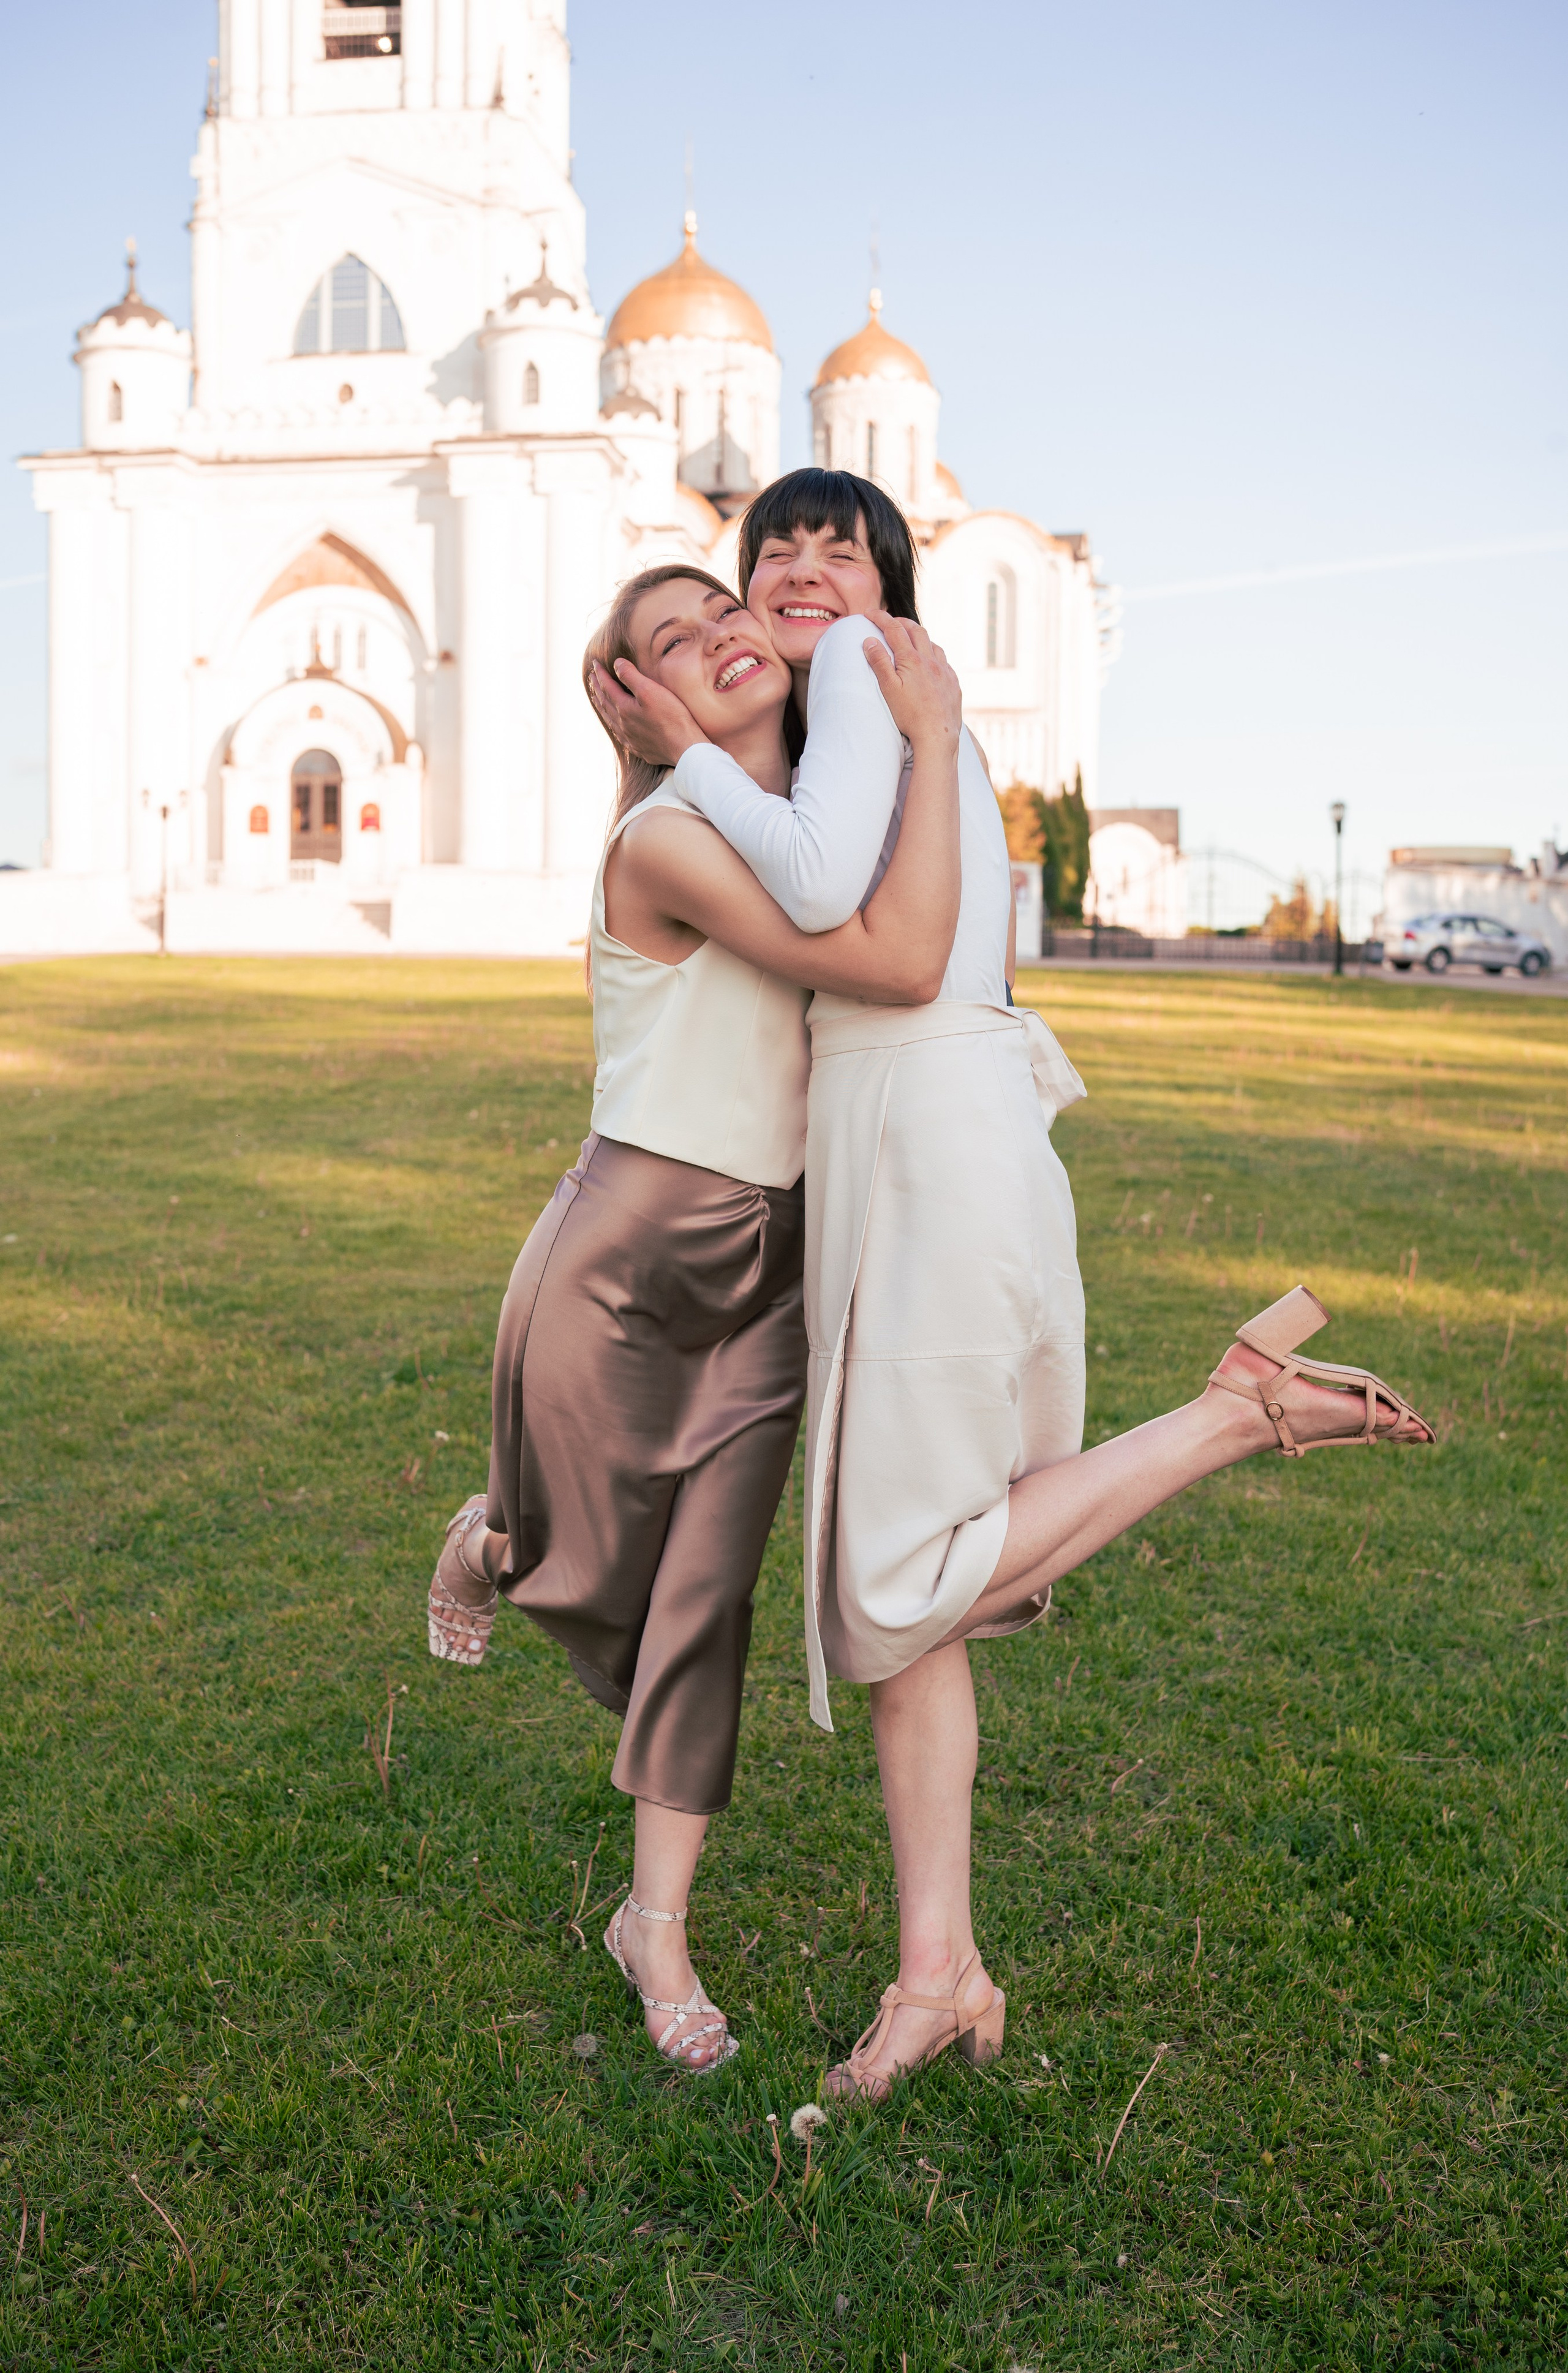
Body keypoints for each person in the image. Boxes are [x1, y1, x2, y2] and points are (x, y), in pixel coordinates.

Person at [592, 470, 1436, 2101]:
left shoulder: (869, 672)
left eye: (840, 549)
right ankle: (940, 1972)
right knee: (920, 1599)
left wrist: (685, 751)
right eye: (775, 550)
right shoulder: (887, 708)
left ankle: (1234, 1410)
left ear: (890, 587)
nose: (800, 570)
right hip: (939, 1126)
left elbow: (830, 902)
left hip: (921, 1128)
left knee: (891, 1582)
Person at [426, 561, 965, 2075]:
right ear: (634, 703)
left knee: (700, 1604)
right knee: (584, 1567)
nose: (725, 631)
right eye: (672, 638)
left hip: (770, 1274)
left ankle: (650, 1926)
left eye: (722, 610)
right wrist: (929, 742)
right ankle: (496, 1537)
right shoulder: (667, 835)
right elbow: (893, 959)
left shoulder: (818, 825)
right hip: (625, 1255)